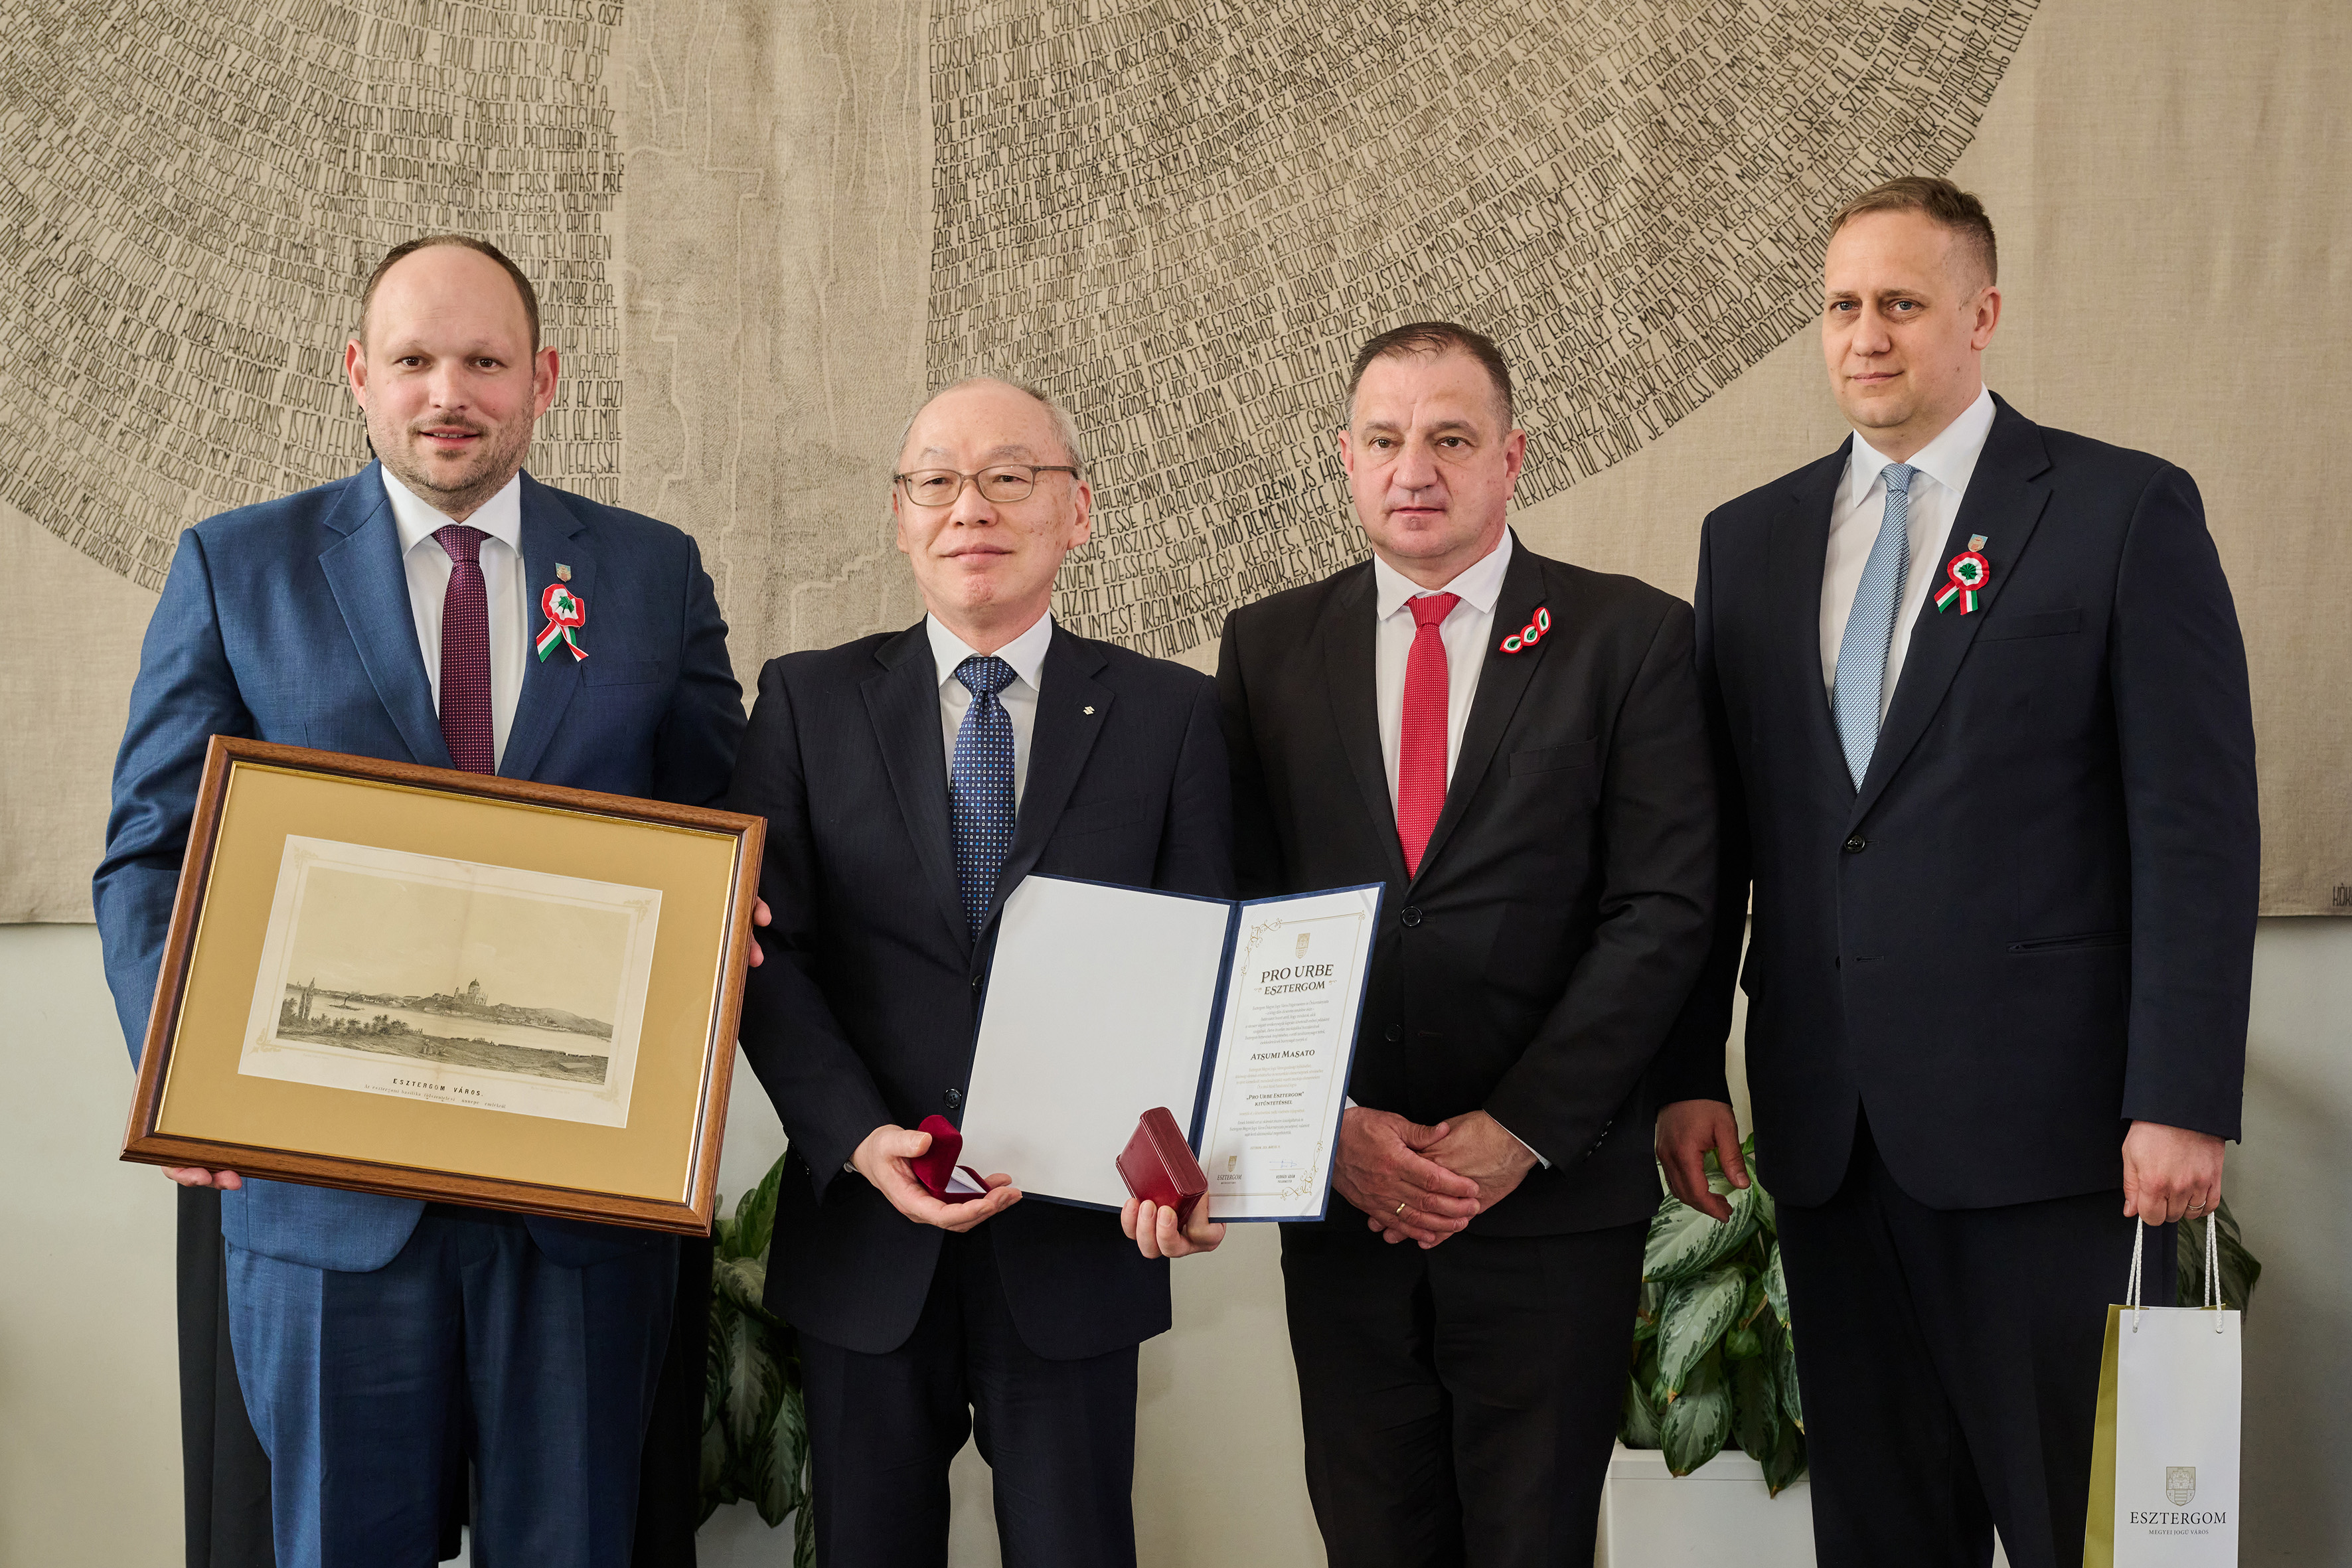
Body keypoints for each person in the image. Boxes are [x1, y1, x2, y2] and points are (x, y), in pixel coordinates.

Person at [94, 234, 751, 1568]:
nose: (449, 392)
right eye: (413, 360)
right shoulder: (238, 565)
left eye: (485, 362)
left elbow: (720, 834)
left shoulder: (649, 575)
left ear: (542, 379)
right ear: (359, 373)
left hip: (577, 1208)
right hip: (323, 1205)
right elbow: (150, 857)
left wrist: (732, 918)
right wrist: (179, 1069)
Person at [1653, 176, 2258, 1568]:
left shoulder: (2118, 510)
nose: (1865, 335)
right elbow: (1718, 840)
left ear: (1981, 318)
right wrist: (1687, 1068)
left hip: (2052, 1139)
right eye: (1840, 306)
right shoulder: (1747, 541)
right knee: (1881, 1533)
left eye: (1901, 303)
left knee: (2080, 1531)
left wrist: (2179, 1094)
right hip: (1831, 1137)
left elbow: (2194, 827)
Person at [1216, 323, 1717, 1566]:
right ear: (1346, 458)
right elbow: (1242, 909)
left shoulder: (1630, 638)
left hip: (1552, 1204)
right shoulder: (1266, 648)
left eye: (1450, 437)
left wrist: (1520, 1130)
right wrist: (1330, 1127)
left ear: (1512, 457)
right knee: (1372, 1538)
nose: (1415, 470)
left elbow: (1662, 909)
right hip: (1348, 1201)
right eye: (1385, 439)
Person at [726, 376, 1231, 1567]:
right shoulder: (804, 700)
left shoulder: (1173, 715)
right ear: (900, 516)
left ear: (1078, 511)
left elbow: (1203, 963)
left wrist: (1198, 1160)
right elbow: (763, 951)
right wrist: (857, 1136)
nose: (972, 508)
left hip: (1080, 1243)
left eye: (1011, 476)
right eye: (937, 481)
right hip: (868, 1236)